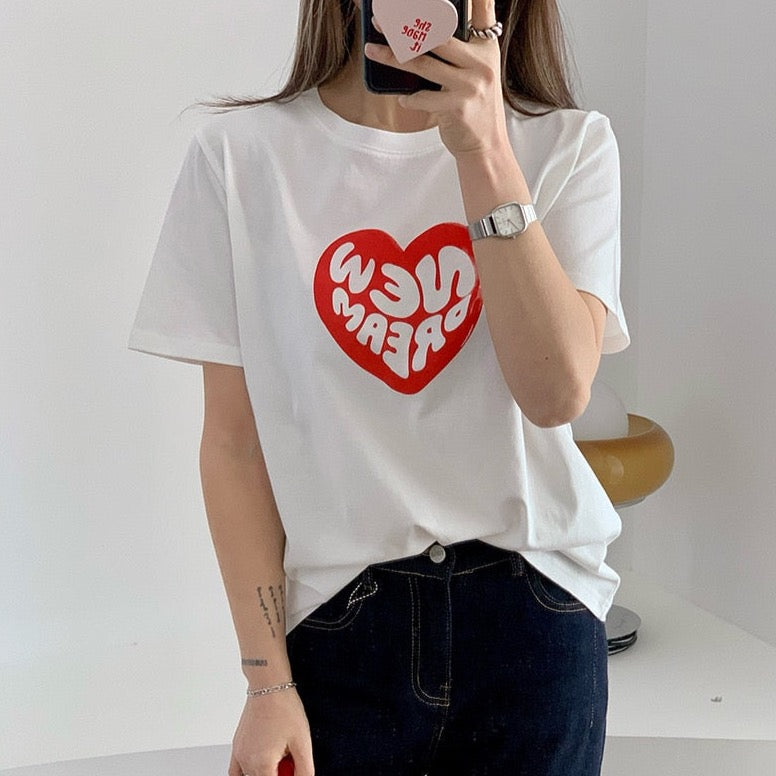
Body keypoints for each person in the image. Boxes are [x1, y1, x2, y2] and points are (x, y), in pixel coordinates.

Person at [128, 0, 630, 773]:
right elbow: (233, 445)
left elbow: (556, 391)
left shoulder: (569, 144)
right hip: (341, 630)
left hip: (535, 616)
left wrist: (486, 153)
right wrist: (265, 684)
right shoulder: (240, 158)